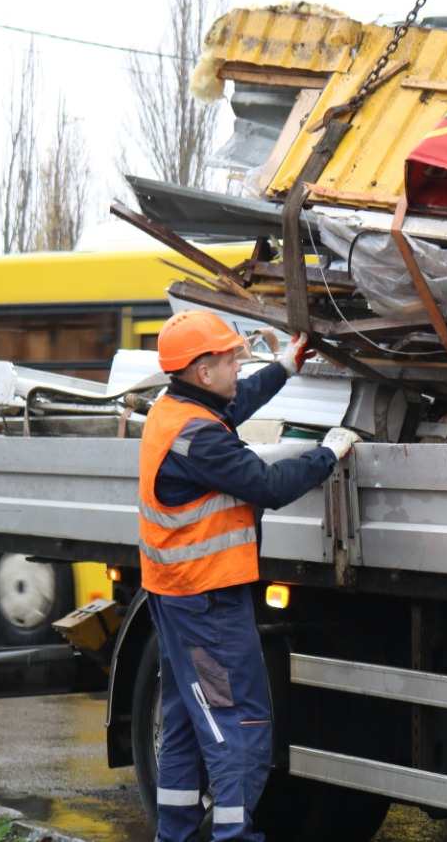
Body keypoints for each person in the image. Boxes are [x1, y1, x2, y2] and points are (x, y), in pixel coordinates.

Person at [138, 310, 361, 842]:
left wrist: (285, 365)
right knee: (237, 724)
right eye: (229, 359)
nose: (238, 365)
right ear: (201, 369)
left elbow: (236, 404)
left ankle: (175, 835)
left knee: (188, 725)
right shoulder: (201, 439)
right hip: (207, 607)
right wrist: (327, 452)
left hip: (177, 600)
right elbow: (267, 484)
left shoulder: (175, 410)